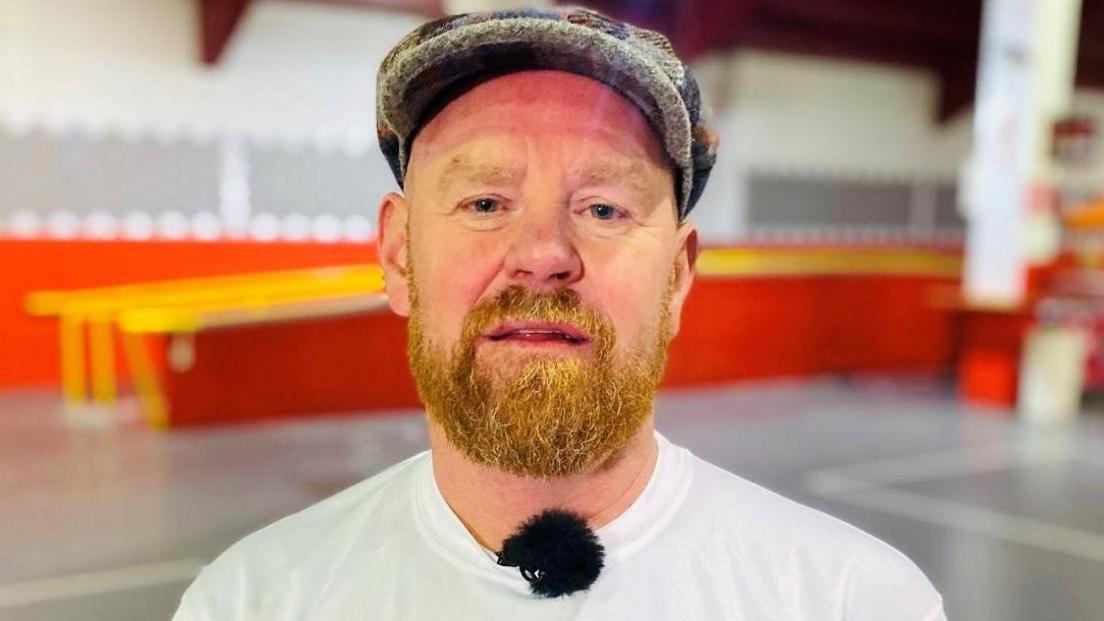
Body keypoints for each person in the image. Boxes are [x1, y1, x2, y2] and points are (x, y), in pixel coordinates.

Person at [174, 7, 946, 620]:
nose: (544, 251)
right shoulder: (250, 602)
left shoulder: (852, 600)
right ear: (400, 256)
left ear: (677, 276)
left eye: (604, 208)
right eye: (484, 201)